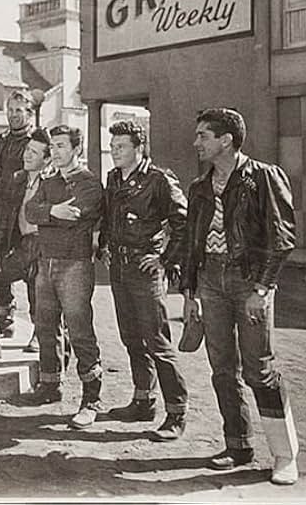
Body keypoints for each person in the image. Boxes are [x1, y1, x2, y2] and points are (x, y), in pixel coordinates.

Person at [182, 108, 299, 485]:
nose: (196, 142)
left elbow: (282, 238)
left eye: (203, 135)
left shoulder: (263, 177)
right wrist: (189, 292)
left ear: (226, 140)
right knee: (221, 369)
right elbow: (191, 244)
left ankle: (284, 456)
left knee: (260, 370)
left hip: (249, 282)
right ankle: (237, 445)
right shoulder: (200, 186)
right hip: (210, 283)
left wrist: (262, 289)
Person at [99, 120, 189, 441]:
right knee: (131, 337)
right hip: (120, 268)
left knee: (157, 341)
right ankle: (142, 400)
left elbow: (184, 223)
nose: (114, 152)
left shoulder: (159, 180)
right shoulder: (113, 178)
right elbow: (110, 216)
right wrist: (105, 246)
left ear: (140, 148)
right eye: (112, 146)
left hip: (144, 268)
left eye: (121, 147)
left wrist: (164, 260)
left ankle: (176, 412)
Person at [24, 125, 105, 429]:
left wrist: (50, 215)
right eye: (53, 147)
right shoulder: (50, 180)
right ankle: (50, 384)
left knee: (79, 330)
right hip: (46, 263)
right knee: (45, 324)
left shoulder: (88, 183)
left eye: (60, 146)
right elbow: (30, 212)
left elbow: (79, 215)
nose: (55, 152)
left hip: (74, 265)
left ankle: (91, 399)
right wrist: (53, 211)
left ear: (76, 149)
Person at [0, 127, 51, 359]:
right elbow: (6, 217)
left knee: (42, 296)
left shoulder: (54, 183)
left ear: (47, 160)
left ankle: (41, 337)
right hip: (23, 247)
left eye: (34, 153)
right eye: (27, 150)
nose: (27, 155)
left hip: (45, 249)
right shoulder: (18, 179)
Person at [0, 90, 36, 341]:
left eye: (18, 111)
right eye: (10, 110)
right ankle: (5, 318)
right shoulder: (2, 139)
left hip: (26, 213)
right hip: (2, 212)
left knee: (34, 272)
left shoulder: (38, 140)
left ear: (30, 113)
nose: (13, 115)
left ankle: (39, 329)